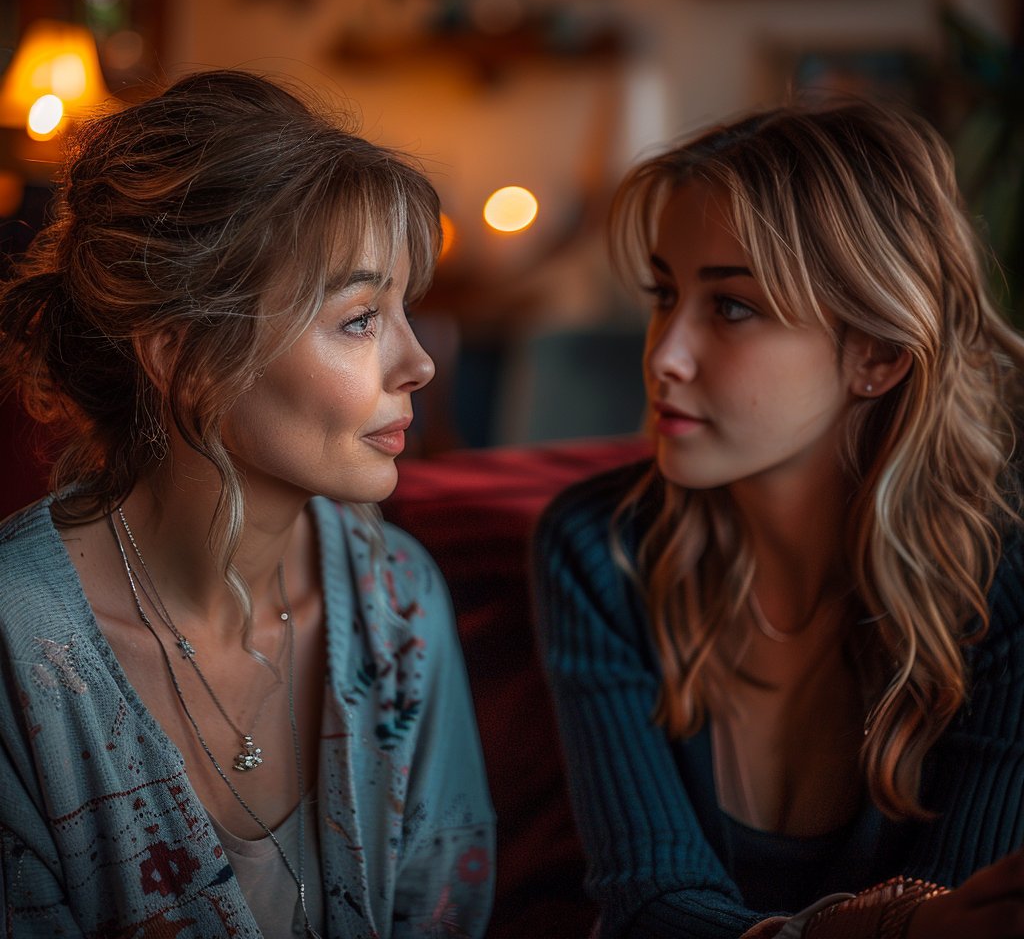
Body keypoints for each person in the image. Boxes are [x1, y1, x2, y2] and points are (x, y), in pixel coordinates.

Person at [0, 69, 494, 938]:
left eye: (405, 309)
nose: (418, 363)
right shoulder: (17, 648)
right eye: (360, 319)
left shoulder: (398, 601)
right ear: (185, 358)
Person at [532, 101, 1024, 938]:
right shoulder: (598, 549)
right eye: (664, 295)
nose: (664, 355)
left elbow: (971, 920)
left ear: (876, 354)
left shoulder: (1004, 581)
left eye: (731, 307)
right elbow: (649, 908)